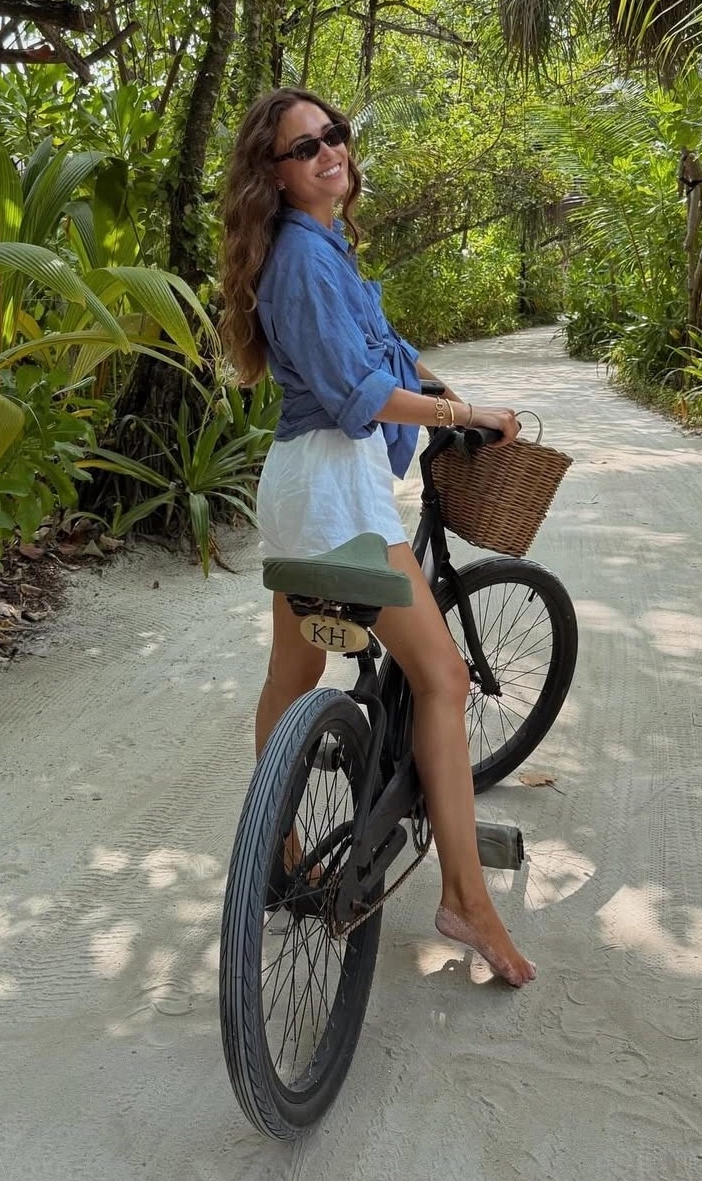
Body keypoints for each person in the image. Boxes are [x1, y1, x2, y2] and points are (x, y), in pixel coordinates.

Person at [219, 87, 535, 988]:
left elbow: (377, 351)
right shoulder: (304, 260)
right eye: (302, 146)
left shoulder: (315, 250)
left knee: (292, 675)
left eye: (335, 135)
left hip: (304, 489)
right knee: (441, 677)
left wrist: (432, 381)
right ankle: (464, 900)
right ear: (273, 175)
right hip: (336, 497)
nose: (328, 152)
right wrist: (464, 410)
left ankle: (277, 857)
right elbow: (359, 393)